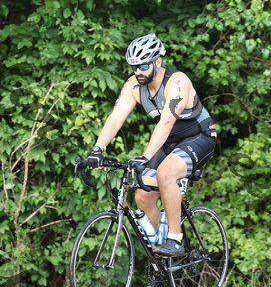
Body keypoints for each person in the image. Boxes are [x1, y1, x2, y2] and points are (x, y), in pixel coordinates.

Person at [85, 33, 217, 260]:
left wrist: (145, 157)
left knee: (165, 173)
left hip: (199, 136)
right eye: (134, 67)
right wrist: (98, 149)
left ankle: (175, 239)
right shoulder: (134, 86)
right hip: (170, 141)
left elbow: (166, 123)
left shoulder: (177, 82)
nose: (138, 72)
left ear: (158, 62)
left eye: (144, 66)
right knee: (142, 196)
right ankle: (160, 256)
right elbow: (115, 119)